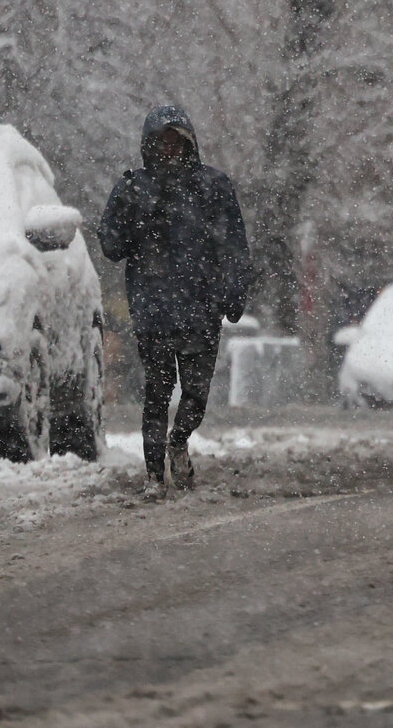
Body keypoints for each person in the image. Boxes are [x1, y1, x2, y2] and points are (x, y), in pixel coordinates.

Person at [97, 105, 253, 495]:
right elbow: (111, 245)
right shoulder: (133, 189)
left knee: (196, 394)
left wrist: (234, 290)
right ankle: (153, 475)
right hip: (154, 311)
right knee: (157, 392)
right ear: (149, 145)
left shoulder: (213, 187)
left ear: (188, 143)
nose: (168, 150)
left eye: (175, 141)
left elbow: (234, 246)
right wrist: (134, 219)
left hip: (202, 308)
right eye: (160, 142)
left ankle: (179, 439)